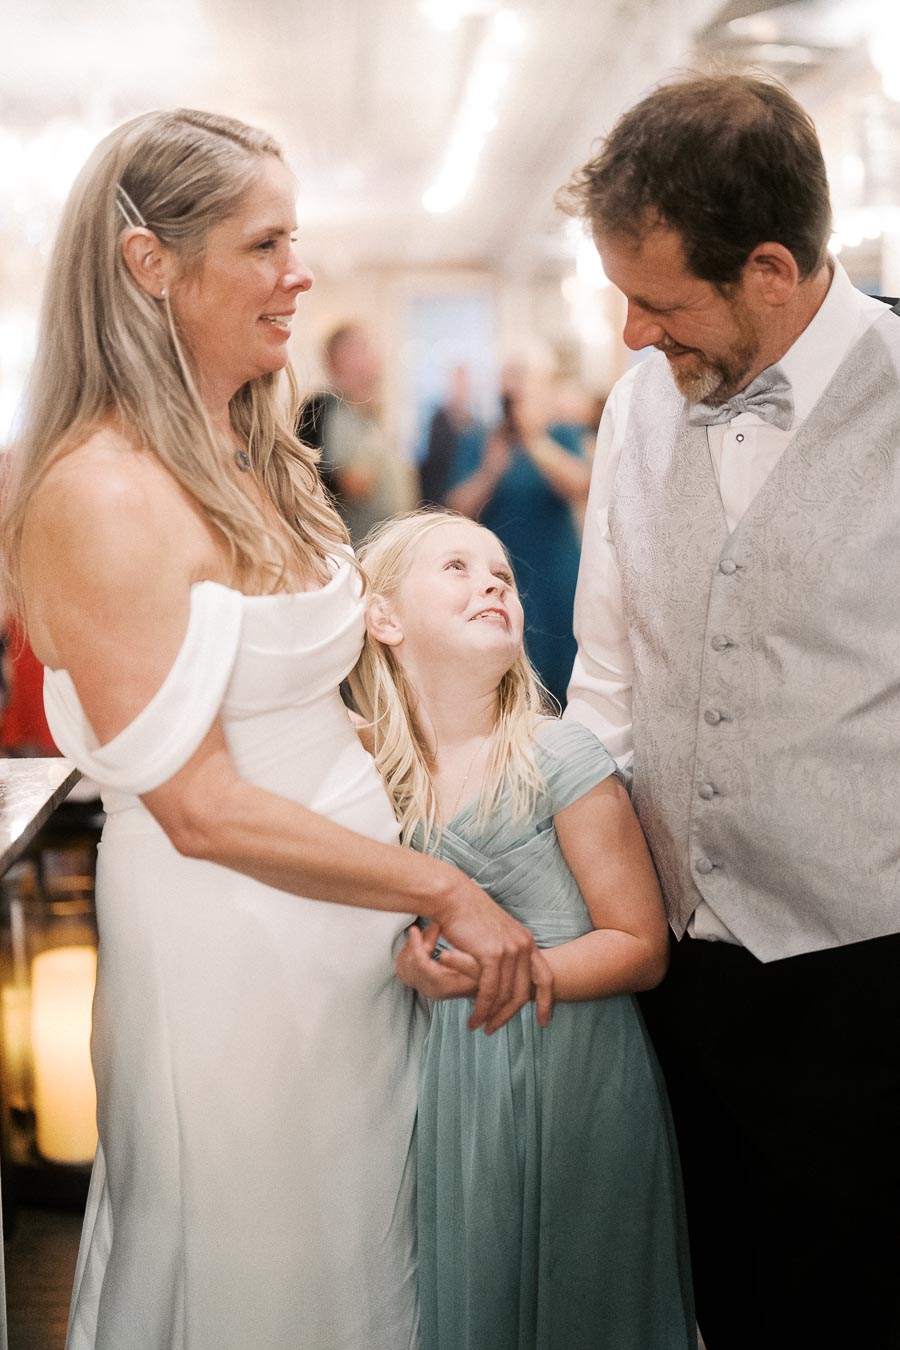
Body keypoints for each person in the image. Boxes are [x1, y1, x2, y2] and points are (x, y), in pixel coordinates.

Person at [0, 109, 550, 1350]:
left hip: (354, 933)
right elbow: (200, 810)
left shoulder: (256, 441)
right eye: (266, 243)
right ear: (153, 266)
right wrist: (440, 886)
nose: (300, 272)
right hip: (235, 951)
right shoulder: (97, 491)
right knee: (274, 1274)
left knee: (374, 1253)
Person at [558, 72, 900, 1350]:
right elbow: (607, 679)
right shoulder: (640, 405)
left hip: (869, 981)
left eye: (657, 301)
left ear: (771, 267)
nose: (637, 336)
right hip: (680, 976)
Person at [349, 509, 696, 1350]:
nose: (493, 582)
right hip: (454, 1077)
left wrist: (506, 973)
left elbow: (640, 946)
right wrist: (412, 958)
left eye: (501, 572)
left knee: (585, 1293)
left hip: (574, 1067)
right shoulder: (371, 783)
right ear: (383, 619)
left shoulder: (558, 756)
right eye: (458, 568)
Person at [446, 362, 591, 706]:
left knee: (565, 673)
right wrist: (491, 469)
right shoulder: (479, 440)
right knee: (507, 678)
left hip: (557, 576)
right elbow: (456, 508)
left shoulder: (560, 435)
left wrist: (534, 441)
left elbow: (581, 486)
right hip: (502, 577)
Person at [314, 321, 408, 545]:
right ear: (339, 358)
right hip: (353, 551)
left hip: (387, 548)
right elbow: (349, 484)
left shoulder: (369, 413)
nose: (377, 355)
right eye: (365, 347)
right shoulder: (320, 411)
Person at [418, 365, 476, 506]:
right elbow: (433, 459)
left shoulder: (473, 422)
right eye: (457, 383)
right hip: (438, 491)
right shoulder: (439, 419)